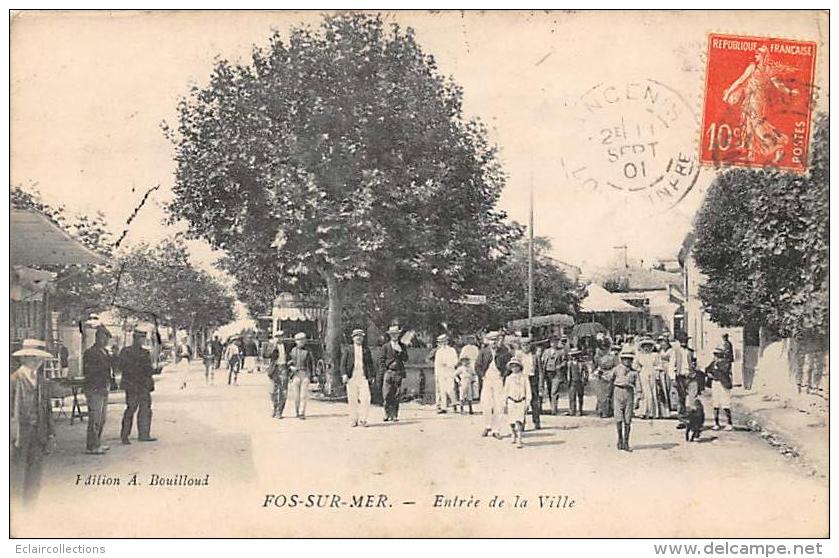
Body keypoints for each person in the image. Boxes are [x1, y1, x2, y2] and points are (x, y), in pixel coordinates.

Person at [11, 339, 54, 505]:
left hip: (39, 432)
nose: (38, 362)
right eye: (34, 358)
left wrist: (51, 432)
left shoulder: (42, 381)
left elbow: (47, 408)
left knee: (35, 473)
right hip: (20, 433)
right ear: (23, 359)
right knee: (16, 472)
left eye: (41, 359)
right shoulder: (14, 380)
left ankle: (30, 507)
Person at [117, 329, 158, 444]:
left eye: (142, 338)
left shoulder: (139, 352)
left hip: (139, 385)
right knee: (132, 409)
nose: (141, 341)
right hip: (134, 385)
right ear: (135, 338)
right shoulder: (128, 352)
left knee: (144, 409)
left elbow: (148, 370)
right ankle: (126, 435)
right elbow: (121, 367)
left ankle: (143, 434)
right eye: (140, 338)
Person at [82, 325, 114, 455]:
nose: (106, 341)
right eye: (104, 338)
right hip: (94, 388)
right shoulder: (91, 353)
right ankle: (92, 446)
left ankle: (98, 442)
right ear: (98, 337)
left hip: (103, 387)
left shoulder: (105, 352)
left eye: (107, 338)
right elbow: (89, 372)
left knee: (102, 418)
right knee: (95, 418)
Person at [475, 331, 512, 439]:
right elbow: (477, 366)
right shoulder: (483, 352)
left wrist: (503, 375)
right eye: (491, 340)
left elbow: (509, 366)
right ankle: (487, 426)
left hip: (498, 380)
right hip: (487, 380)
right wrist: (482, 376)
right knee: (486, 404)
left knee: (499, 405)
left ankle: (496, 430)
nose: (493, 342)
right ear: (488, 341)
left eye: (495, 340)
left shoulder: (504, 352)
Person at [604, 350, 640, 451]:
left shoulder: (634, 372)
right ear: (622, 360)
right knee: (618, 417)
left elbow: (638, 386)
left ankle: (626, 442)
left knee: (628, 418)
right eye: (625, 359)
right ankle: (620, 439)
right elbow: (609, 378)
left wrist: (638, 399)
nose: (628, 362)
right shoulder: (616, 369)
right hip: (618, 391)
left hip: (629, 393)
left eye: (630, 360)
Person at [341, 329, 375, 427]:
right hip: (351, 377)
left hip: (363, 377)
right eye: (356, 336)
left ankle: (363, 419)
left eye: (360, 336)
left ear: (363, 338)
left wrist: (371, 375)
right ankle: (353, 419)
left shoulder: (366, 350)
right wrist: (344, 375)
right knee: (352, 399)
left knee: (366, 398)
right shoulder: (348, 349)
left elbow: (370, 364)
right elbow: (343, 364)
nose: (358, 338)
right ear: (353, 338)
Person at [379, 325, 408, 422]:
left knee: (396, 394)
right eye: (392, 334)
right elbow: (381, 360)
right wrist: (385, 371)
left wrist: (400, 352)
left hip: (398, 372)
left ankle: (394, 415)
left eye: (396, 334)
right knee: (387, 394)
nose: (394, 336)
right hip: (389, 372)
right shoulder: (385, 346)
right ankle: (387, 413)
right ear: (390, 335)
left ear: (399, 335)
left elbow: (406, 359)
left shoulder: (402, 346)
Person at [503, 357, 531, 449]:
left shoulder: (524, 377)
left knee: (519, 421)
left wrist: (528, 402)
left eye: (516, 366)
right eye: (512, 366)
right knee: (511, 421)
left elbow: (528, 391)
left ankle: (519, 438)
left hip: (521, 401)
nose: (514, 368)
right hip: (511, 401)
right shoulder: (508, 378)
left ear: (520, 367)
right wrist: (504, 403)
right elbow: (505, 391)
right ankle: (513, 433)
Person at [706, 347, 734, 431]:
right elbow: (707, 369)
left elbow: (723, 373)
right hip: (715, 383)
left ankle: (729, 423)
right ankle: (716, 423)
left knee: (726, 404)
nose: (716, 357)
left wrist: (715, 371)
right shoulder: (714, 363)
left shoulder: (726, 363)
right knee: (716, 403)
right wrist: (709, 374)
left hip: (723, 384)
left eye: (717, 355)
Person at [288, 332, 315, 419]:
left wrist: (313, 374)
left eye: (302, 340)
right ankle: (297, 410)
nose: (301, 342)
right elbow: (288, 362)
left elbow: (312, 363)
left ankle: (301, 412)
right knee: (296, 395)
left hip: (305, 374)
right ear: (295, 341)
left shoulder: (308, 351)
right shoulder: (292, 351)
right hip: (295, 374)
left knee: (303, 395)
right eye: (299, 340)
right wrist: (291, 367)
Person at [517, 337, 542, 430]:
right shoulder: (518, 357)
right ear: (521, 346)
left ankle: (536, 421)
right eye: (523, 345)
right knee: (522, 402)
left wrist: (541, 385)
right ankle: (521, 423)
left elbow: (540, 371)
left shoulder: (535, 356)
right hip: (522, 380)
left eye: (527, 345)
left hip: (533, 380)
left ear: (530, 345)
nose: (525, 347)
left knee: (535, 402)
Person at [431, 333, 458, 414]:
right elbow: (436, 364)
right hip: (441, 373)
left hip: (450, 372)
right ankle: (443, 407)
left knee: (450, 389)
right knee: (442, 390)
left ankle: (454, 404)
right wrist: (437, 374)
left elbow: (455, 361)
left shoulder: (452, 350)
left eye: (444, 341)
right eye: (441, 342)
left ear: (447, 341)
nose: (443, 344)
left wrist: (448, 364)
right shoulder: (438, 352)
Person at [593, 344, 620, 418]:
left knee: (609, 394)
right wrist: (598, 372)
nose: (603, 350)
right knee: (601, 394)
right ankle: (601, 410)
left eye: (605, 348)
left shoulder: (613, 357)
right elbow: (595, 366)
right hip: (601, 376)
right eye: (601, 349)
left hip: (610, 375)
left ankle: (608, 411)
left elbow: (616, 366)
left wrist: (612, 374)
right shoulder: (597, 357)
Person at [636, 338, 661, 419]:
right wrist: (639, 370)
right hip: (643, 373)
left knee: (653, 392)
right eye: (645, 346)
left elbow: (658, 364)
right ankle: (644, 411)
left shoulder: (655, 355)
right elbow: (635, 365)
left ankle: (653, 412)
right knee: (646, 392)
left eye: (649, 346)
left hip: (652, 372)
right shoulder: (640, 355)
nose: (647, 348)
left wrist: (657, 373)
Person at [540, 335, 565, 415]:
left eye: (555, 342)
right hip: (547, 373)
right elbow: (542, 361)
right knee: (549, 390)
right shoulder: (546, 351)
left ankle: (554, 410)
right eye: (552, 342)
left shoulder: (561, 352)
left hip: (556, 374)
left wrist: (560, 366)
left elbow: (565, 361)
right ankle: (552, 406)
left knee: (554, 391)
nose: (553, 344)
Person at [267, 332, 288, 419]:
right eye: (277, 337)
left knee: (283, 391)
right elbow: (266, 355)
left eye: (281, 337)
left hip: (283, 368)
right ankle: (274, 408)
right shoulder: (271, 345)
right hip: (274, 369)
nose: (279, 339)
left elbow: (290, 356)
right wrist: (273, 347)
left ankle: (279, 411)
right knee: (272, 391)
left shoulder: (287, 346)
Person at [458, 336, 480, 403]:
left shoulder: (476, 348)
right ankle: (464, 396)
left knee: (475, 380)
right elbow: (461, 357)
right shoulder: (465, 348)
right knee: (465, 381)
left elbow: (478, 357)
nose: (471, 341)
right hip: (467, 364)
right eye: (469, 339)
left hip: (474, 364)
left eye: (472, 339)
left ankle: (476, 396)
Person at [565, 349, 587, 416]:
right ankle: (572, 410)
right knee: (572, 396)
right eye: (573, 355)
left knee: (580, 396)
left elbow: (586, 372)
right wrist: (567, 381)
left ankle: (580, 410)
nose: (574, 357)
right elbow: (568, 373)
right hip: (572, 382)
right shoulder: (569, 364)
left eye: (575, 355)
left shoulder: (582, 363)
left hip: (580, 381)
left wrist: (585, 380)